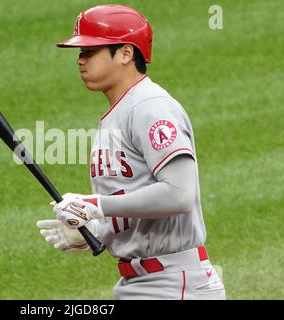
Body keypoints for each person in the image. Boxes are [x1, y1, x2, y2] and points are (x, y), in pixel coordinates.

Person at [36, 4, 225, 300]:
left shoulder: (149, 107)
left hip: (174, 285)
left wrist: (96, 205)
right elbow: (132, 200)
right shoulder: (118, 113)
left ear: (126, 53)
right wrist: (94, 230)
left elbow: (180, 194)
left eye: (90, 51)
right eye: (80, 53)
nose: (80, 61)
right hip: (141, 284)